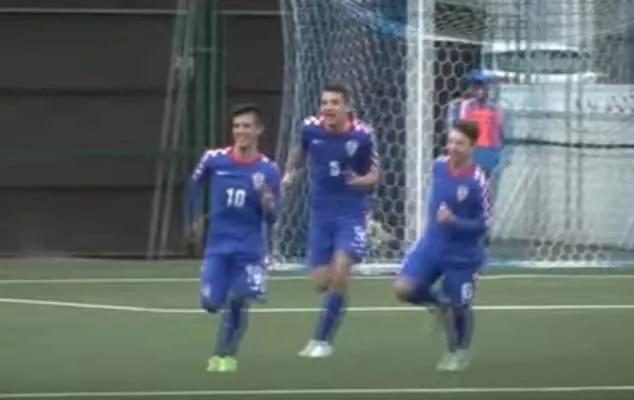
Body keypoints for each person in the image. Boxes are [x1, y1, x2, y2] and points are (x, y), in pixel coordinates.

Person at [283, 83, 380, 358]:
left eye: (335, 103)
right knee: (321, 281)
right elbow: (299, 151)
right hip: (321, 214)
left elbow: (375, 175)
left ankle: (322, 340)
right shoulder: (310, 129)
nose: (328, 108)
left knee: (340, 271)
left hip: (351, 213)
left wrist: (360, 181)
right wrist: (290, 173)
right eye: (325, 102)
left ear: (346, 107)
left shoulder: (362, 135)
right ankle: (336, 290)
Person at [187, 103, 281, 373]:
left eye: (247, 126)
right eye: (237, 126)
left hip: (249, 248)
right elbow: (194, 186)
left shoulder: (268, 170)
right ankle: (222, 347)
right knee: (211, 303)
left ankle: (224, 356)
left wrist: (267, 202)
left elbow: (273, 217)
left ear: (258, 130)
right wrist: (194, 217)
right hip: (218, 246)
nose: (241, 131)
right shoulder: (214, 159)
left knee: (239, 299)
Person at [394, 120, 491, 372]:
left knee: (461, 306)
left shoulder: (477, 181)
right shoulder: (439, 166)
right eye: (450, 141)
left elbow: (484, 224)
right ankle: (439, 304)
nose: (453, 147)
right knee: (404, 289)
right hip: (431, 245)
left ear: (472, 147)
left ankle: (458, 352)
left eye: (460, 143)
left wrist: (454, 222)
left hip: (462, 255)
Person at [446, 69, 511, 204]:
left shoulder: (500, 109)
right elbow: (453, 131)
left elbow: (505, 135)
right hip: (469, 156)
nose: (480, 91)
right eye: (477, 86)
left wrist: (504, 158)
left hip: (491, 157)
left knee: (487, 197)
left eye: (485, 86)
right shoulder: (460, 107)